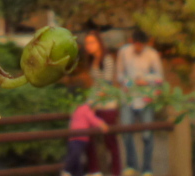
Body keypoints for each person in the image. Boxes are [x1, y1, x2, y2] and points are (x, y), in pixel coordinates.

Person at [116, 28, 164, 176]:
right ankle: (132, 164)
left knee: (147, 134)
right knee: (126, 131)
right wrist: (128, 82)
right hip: (129, 97)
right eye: (136, 44)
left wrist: (147, 81)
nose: (139, 47)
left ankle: (147, 168)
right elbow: (119, 74)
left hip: (145, 98)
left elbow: (159, 77)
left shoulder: (152, 55)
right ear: (132, 42)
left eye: (141, 45)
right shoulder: (124, 52)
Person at [82, 30, 121, 176]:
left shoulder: (107, 60)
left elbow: (107, 85)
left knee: (110, 140)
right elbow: (95, 85)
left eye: (92, 42)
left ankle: (116, 171)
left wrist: (93, 104)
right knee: (89, 136)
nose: (88, 46)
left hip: (108, 106)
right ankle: (94, 170)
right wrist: (88, 104)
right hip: (96, 105)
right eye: (86, 43)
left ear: (99, 43)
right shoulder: (94, 60)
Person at [62, 96, 109, 176]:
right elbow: (92, 119)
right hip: (81, 138)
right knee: (75, 156)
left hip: (73, 137)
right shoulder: (86, 109)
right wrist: (101, 124)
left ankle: (76, 173)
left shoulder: (78, 109)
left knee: (76, 157)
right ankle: (67, 170)